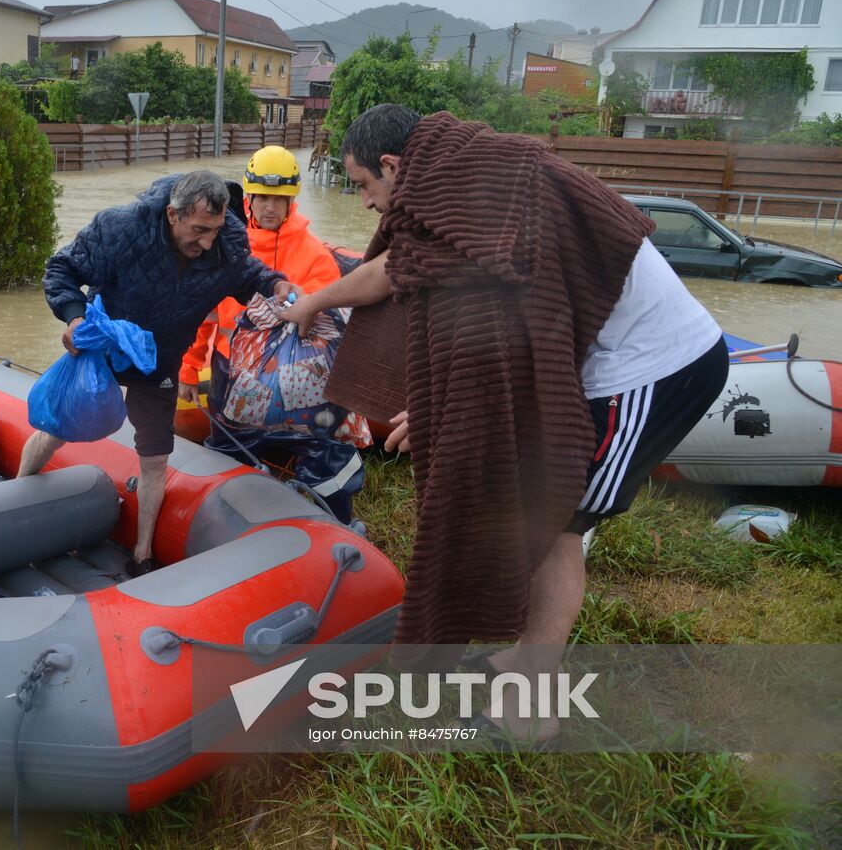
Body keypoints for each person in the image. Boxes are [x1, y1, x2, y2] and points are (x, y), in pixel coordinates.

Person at [286, 105, 727, 745]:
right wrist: (317, 299)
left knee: (556, 526)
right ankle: (522, 659)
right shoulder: (462, 192)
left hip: (652, 369)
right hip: (611, 360)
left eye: (362, 186)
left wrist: (440, 415)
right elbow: (394, 268)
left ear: (392, 165)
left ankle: (531, 706)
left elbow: (506, 347)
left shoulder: (490, 211)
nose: (365, 206)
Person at [20, 170, 300, 576]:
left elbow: (251, 276)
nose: (207, 243)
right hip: (104, 349)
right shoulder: (121, 227)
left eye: (215, 230)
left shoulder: (226, 243)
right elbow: (61, 269)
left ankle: (142, 553)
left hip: (159, 362)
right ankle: (17, 486)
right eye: (200, 230)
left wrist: (277, 285)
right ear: (173, 214)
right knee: (56, 428)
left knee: (155, 456)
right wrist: (74, 317)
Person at [178, 146, 365, 524]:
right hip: (234, 376)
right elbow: (200, 316)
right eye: (261, 196)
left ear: (292, 200)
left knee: (326, 453)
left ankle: (337, 525)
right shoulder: (224, 250)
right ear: (248, 197)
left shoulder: (314, 256)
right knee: (229, 453)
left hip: (300, 385)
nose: (269, 206)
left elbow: (332, 334)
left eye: (278, 198)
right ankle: (230, 524)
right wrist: (187, 369)